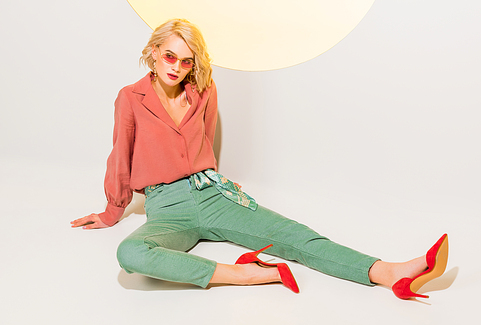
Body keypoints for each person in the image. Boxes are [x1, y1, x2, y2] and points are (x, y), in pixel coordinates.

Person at [70, 19, 449, 299]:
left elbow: (208, 142)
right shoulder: (130, 98)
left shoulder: (203, 90)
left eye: (186, 61)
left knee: (295, 236)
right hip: (166, 206)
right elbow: (120, 153)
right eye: (169, 55)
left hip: (212, 194)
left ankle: (389, 272)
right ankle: (244, 275)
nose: (176, 66)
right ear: (153, 52)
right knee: (130, 253)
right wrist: (112, 209)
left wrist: (217, 183)